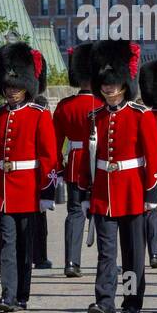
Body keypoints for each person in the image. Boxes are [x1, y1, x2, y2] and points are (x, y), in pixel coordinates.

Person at [73, 39, 157, 313]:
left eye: (114, 83)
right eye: (105, 83)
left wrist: (152, 192)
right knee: (106, 252)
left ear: (124, 83)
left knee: (133, 254)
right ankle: (105, 301)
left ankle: (131, 300)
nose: (109, 88)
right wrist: (86, 191)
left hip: (133, 191)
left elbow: (154, 159)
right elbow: (91, 158)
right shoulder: (96, 117)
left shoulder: (141, 116)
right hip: (103, 193)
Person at [0, 43, 59, 312]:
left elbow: (48, 157)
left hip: (29, 188)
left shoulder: (39, 115)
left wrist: (47, 192)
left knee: (23, 246)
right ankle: (7, 294)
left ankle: (21, 295)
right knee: (7, 242)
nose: (11, 90)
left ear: (27, 85)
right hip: (1, 189)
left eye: (16, 86)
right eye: (8, 86)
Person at [53, 43, 100, 278]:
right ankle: (105, 260)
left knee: (74, 213)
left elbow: (55, 143)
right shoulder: (104, 106)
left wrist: (57, 168)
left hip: (75, 163)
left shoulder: (65, 106)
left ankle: (72, 261)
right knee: (103, 214)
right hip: (100, 165)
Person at [137, 57, 157, 271]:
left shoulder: (154, 115)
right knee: (153, 211)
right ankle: (155, 252)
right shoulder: (148, 116)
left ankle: (155, 251)